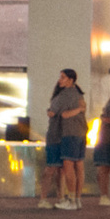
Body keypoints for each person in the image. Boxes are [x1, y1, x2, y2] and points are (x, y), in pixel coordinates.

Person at [41, 68, 88, 210]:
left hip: (67, 133)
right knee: (76, 165)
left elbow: (55, 113)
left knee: (66, 166)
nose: (59, 80)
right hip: (79, 133)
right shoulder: (78, 95)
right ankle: (75, 199)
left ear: (70, 80)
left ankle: (71, 200)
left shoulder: (65, 95)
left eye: (63, 77)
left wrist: (51, 111)